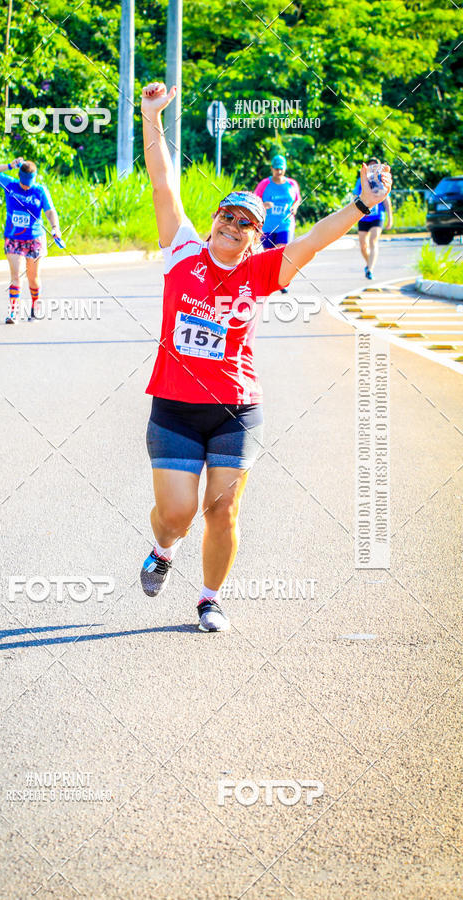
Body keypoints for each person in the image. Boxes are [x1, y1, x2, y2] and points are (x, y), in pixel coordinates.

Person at [139, 81, 392, 632]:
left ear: (256, 237)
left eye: (245, 223)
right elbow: (162, 178)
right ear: (212, 222)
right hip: (175, 406)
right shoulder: (179, 247)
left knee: (222, 510)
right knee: (178, 515)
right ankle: (162, 548)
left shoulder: (261, 271)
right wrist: (151, 115)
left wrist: (361, 205)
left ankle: (209, 599)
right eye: (226, 217)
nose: (232, 226)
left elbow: (317, 239)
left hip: (237, 407)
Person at [0, 159, 62, 323]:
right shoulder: (10, 184)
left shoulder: (40, 190)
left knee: (33, 277)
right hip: (13, 239)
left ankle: (35, 307)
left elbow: (49, 211)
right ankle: (13, 312)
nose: (27, 186)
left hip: (34, 239)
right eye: (24, 182)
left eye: (29, 182)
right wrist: (9, 166)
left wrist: (55, 227)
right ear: (19, 176)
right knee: (16, 276)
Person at [254, 154, 301, 292]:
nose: (279, 172)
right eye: (276, 169)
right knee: (268, 254)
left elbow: (297, 199)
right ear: (271, 168)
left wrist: (295, 207)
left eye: (281, 169)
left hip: (285, 224)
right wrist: (263, 204)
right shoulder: (264, 184)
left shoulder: (291, 184)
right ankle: (270, 280)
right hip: (267, 225)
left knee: (282, 253)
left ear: (285, 168)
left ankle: (281, 282)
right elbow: (254, 200)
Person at [354, 157, 393, 280]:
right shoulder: (360, 181)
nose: (373, 169)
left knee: (373, 240)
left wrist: (390, 218)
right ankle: (369, 263)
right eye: (371, 166)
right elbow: (355, 196)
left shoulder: (382, 180)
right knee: (362, 244)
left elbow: (386, 200)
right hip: (363, 216)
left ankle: (370, 269)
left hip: (377, 216)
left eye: (375, 166)